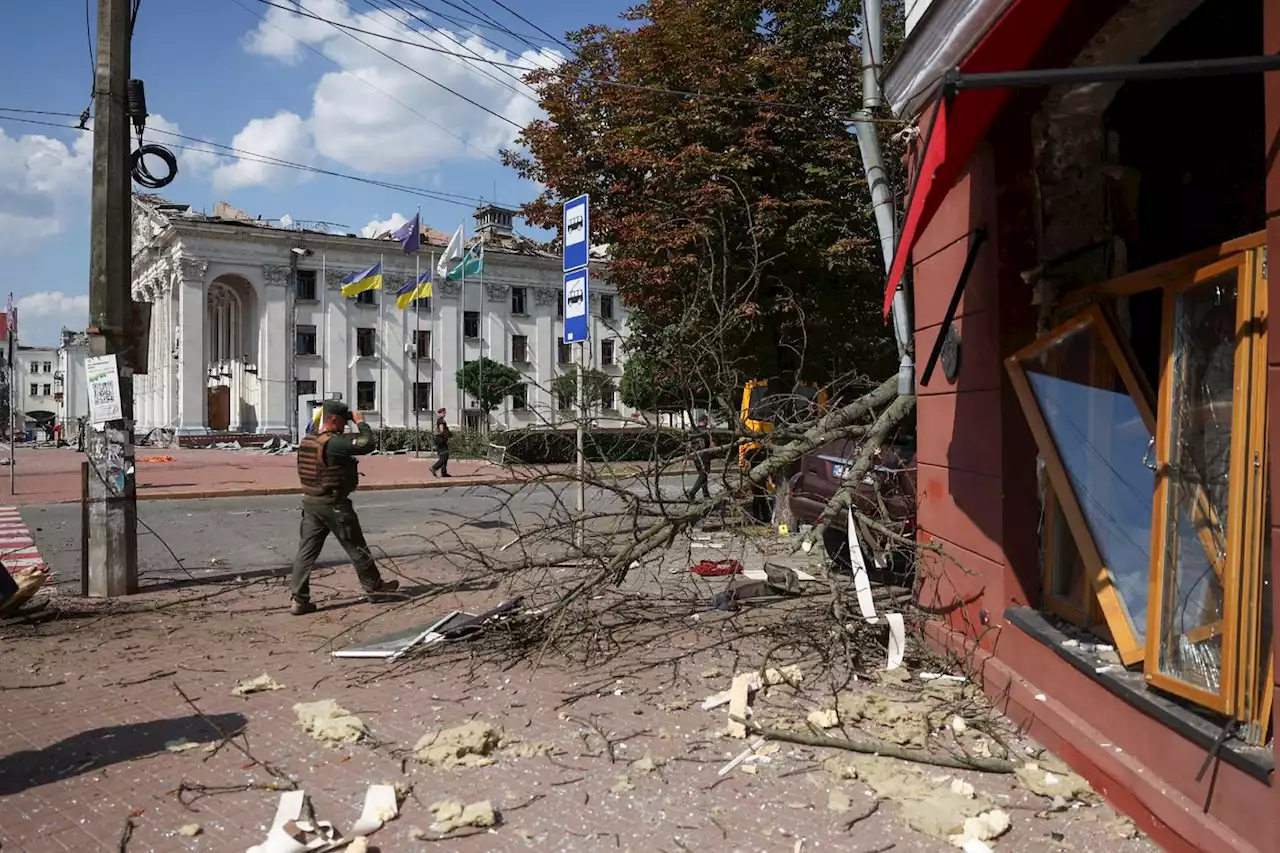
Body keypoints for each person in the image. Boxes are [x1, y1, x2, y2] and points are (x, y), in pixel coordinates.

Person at [289, 400, 399, 615]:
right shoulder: (333, 443)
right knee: (357, 548)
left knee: (305, 552)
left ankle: (299, 599)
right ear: (332, 419)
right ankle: (374, 589)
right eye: (342, 421)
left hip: (311, 503)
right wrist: (361, 423)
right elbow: (367, 444)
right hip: (334, 504)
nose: (344, 426)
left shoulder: (308, 440)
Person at [686, 414, 714, 500]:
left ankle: (706, 495)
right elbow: (712, 445)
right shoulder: (707, 431)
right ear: (705, 421)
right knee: (703, 476)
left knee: (703, 476)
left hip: (696, 457)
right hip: (704, 457)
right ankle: (692, 493)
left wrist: (688, 457)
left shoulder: (693, 431)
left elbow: (689, 445)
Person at [430, 407, 451, 478]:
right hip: (441, 439)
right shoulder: (441, 420)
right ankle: (434, 468)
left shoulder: (441, 420)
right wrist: (447, 433)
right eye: (443, 412)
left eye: (445, 412)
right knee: (444, 456)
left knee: (445, 455)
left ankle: (444, 472)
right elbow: (442, 430)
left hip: (440, 439)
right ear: (439, 413)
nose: (444, 413)